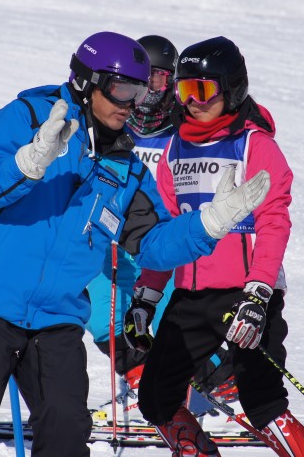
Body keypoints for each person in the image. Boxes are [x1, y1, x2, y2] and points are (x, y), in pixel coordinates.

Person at [0, 31, 271, 457]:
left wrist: (208, 224)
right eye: (121, 89)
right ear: (86, 81)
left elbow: (152, 245)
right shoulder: (31, 116)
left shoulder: (125, 165)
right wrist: (28, 163)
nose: (130, 103)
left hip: (57, 319)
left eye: (139, 90)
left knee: (66, 437)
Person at [124, 36, 304, 457]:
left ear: (232, 88)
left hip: (245, 295)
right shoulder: (174, 150)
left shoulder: (255, 145)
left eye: (202, 90)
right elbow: (165, 234)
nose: (192, 102)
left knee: (263, 403)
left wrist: (258, 294)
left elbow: (274, 223)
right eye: (184, 90)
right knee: (156, 398)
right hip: (189, 297)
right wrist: (147, 296)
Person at [85, 35, 236, 424]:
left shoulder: (182, 126)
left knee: (172, 306)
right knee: (100, 304)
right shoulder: (114, 121)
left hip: (164, 238)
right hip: (119, 236)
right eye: (146, 78)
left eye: (162, 79)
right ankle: (139, 380)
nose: (153, 88)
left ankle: (206, 379)